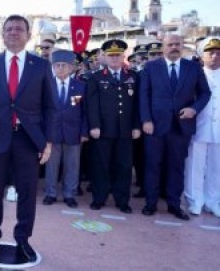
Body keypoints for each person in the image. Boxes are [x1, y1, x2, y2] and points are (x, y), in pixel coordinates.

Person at [0, 15, 57, 263]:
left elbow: (50, 107)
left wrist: (47, 141)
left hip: (27, 139)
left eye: (19, 29)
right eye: (8, 29)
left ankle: (23, 240)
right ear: (2, 34)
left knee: (27, 192)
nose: (13, 33)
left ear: (29, 35)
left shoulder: (40, 66)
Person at [140, 34, 211, 220]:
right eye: (170, 44)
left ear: (182, 46)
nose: (174, 47)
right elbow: (144, 95)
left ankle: (174, 205)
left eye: (177, 44)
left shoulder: (193, 67)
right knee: (153, 166)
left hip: (181, 128)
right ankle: (151, 203)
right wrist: (146, 120)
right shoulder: (150, 67)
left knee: (176, 167)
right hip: (155, 127)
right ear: (163, 47)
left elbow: (205, 93)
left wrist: (194, 109)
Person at [86, 40, 141, 214]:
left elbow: (139, 105)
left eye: (118, 55)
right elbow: (91, 104)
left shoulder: (133, 76)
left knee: (124, 166)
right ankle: (99, 198)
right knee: (101, 166)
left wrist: (136, 126)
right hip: (102, 130)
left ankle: (122, 200)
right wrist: (94, 125)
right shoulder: (96, 77)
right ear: (105, 57)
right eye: (111, 55)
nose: (114, 58)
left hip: (125, 131)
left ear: (123, 56)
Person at [43, 50, 88, 208]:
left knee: (72, 165)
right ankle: (51, 193)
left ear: (71, 68)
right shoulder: (46, 86)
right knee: (51, 165)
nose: (60, 68)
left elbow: (84, 111)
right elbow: (42, 111)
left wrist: (84, 132)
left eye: (64, 65)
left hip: (73, 132)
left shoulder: (80, 86)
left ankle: (70, 194)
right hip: (52, 132)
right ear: (53, 68)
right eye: (57, 65)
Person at [185, 37, 220, 216]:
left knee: (216, 166)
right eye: (210, 52)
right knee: (195, 165)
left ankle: (213, 200)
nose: (215, 56)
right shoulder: (194, 75)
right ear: (202, 56)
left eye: (218, 53)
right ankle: (195, 200)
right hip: (199, 126)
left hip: (219, 129)